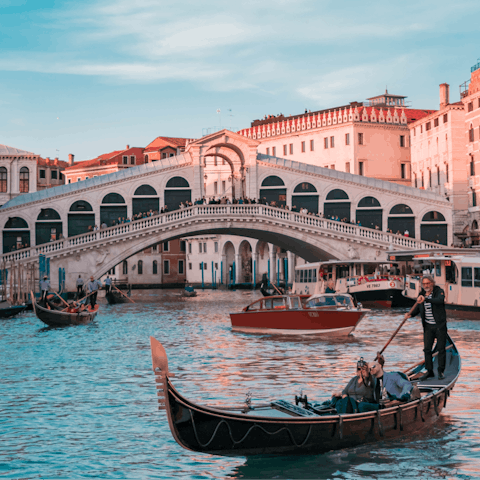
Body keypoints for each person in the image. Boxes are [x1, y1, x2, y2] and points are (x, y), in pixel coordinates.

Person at [403, 275, 447, 380]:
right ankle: (429, 371)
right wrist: (411, 314)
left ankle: (440, 371)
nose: (426, 285)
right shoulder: (421, 294)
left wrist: (426, 299)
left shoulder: (438, 291)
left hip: (439, 326)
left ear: (432, 283)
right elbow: (418, 307)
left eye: (428, 283)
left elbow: (439, 301)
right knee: (427, 349)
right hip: (428, 327)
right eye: (424, 284)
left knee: (441, 349)